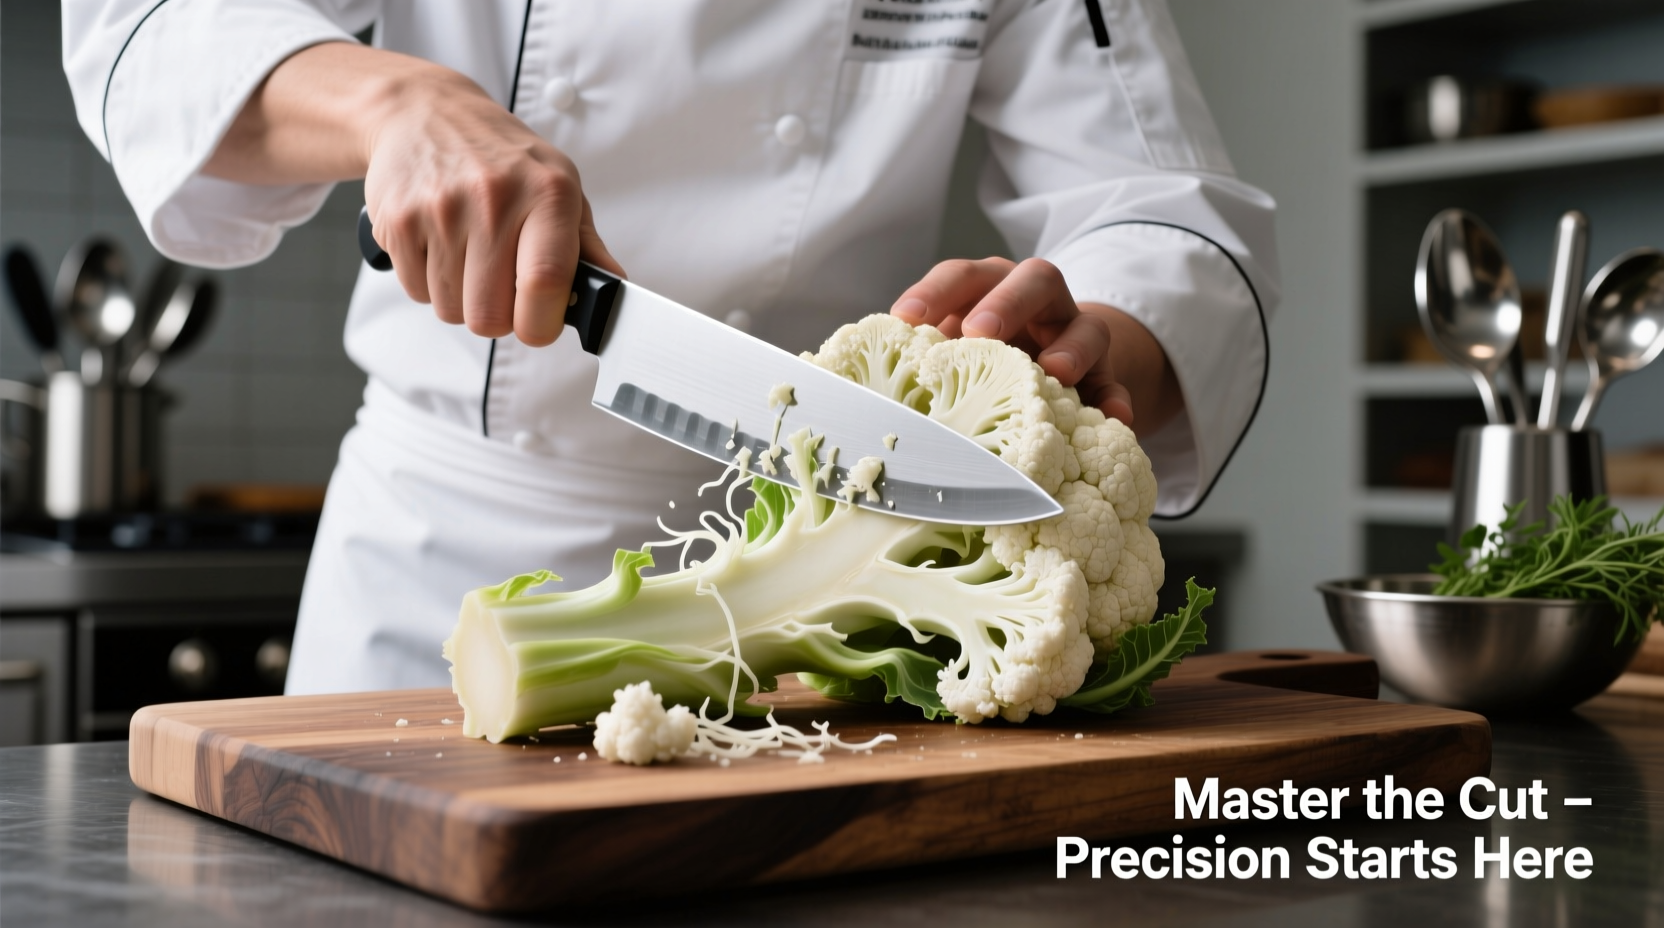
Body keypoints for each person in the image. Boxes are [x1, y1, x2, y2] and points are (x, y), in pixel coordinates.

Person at [63, 1, 1278, 694]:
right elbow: (146, 24)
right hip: (435, 575)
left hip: (833, 593)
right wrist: (394, 105)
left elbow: (1162, 203)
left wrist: (1087, 338)